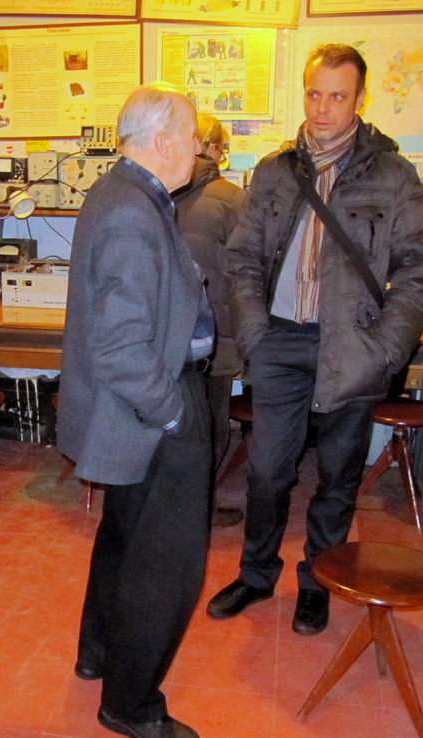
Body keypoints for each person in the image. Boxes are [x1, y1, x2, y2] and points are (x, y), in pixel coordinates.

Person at [207, 44, 423, 635]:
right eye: (314, 94)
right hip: (280, 342)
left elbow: (418, 272)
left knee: (337, 476)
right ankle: (257, 575)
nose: (322, 108)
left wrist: (385, 350)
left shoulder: (393, 176)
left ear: (360, 99)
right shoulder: (275, 170)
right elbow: (242, 259)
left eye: (337, 96)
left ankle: (318, 581)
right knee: (266, 472)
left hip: (353, 347)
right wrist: (255, 334)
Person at [56, 85, 212, 738]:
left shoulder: (122, 191)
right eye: (194, 136)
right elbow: (120, 346)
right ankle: (130, 703)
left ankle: (98, 652)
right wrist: (173, 413)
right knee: (165, 565)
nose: (200, 147)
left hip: (136, 408)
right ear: (165, 140)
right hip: (152, 406)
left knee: (123, 537)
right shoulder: (131, 212)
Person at [173, 113, 247, 528]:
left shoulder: (159, 191)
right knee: (215, 424)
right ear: (214, 148)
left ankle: (173, 504)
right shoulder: (233, 199)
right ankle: (201, 508)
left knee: (176, 421)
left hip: (169, 333)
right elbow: (247, 272)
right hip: (214, 334)